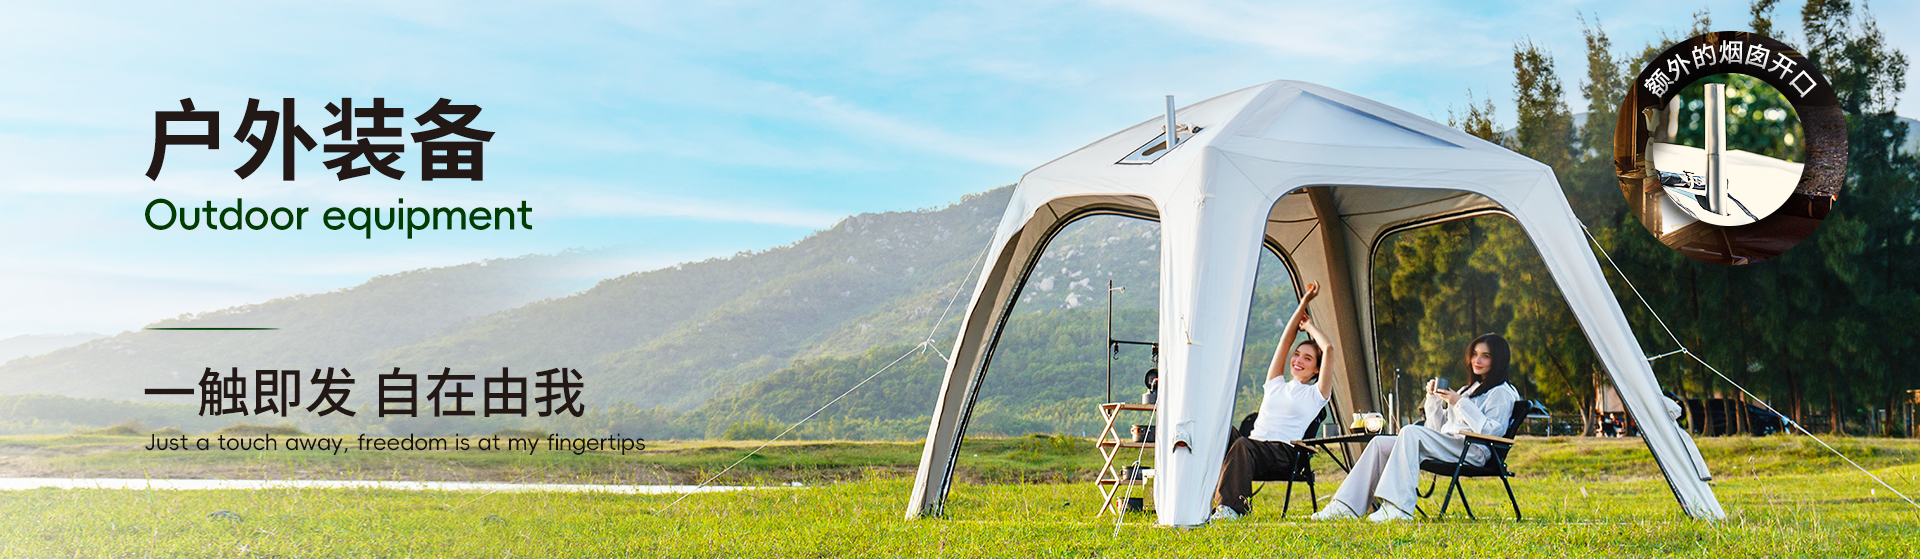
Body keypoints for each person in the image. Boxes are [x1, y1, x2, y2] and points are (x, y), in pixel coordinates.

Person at [1310, 333, 1520, 522]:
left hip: (1473, 450)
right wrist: (1433, 399)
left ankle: (1398, 507)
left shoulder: (1502, 393)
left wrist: (1458, 402)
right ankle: (1345, 506)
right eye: (1475, 354)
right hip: (1452, 444)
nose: (1477, 360)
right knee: (1379, 443)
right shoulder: (1469, 389)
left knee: (1410, 432)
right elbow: (1436, 429)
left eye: (1485, 356)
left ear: (1498, 360)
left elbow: (1492, 431)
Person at [1209, 281, 1336, 522]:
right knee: (1219, 429)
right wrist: (1304, 302)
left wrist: (1309, 326)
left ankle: (1232, 509)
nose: (1298, 360)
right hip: (1254, 449)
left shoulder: (1316, 395)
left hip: (1284, 453)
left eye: (1307, 358)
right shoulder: (1275, 383)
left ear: (1317, 369)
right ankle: (1197, 500)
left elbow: (1328, 348)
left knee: (1243, 445)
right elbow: (1284, 342)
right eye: (1297, 355)